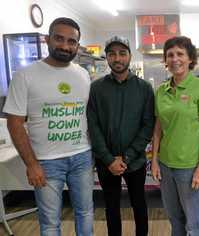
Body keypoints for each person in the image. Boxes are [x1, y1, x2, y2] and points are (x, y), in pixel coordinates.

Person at [3, 17, 94, 236]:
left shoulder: (83, 75)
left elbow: (86, 115)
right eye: (59, 39)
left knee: (86, 213)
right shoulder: (25, 75)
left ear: (78, 45)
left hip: (82, 156)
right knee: (50, 222)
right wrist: (32, 164)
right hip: (45, 161)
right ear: (47, 39)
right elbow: (14, 122)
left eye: (71, 41)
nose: (65, 45)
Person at [87, 36, 154, 236]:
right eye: (112, 54)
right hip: (106, 162)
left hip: (134, 161)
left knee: (139, 204)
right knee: (111, 207)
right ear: (106, 58)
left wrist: (127, 157)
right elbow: (93, 125)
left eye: (122, 53)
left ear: (130, 56)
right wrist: (108, 159)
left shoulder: (144, 88)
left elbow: (148, 125)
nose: (117, 58)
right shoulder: (96, 88)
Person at [151, 36, 199, 236]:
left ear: (190, 59)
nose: (174, 59)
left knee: (195, 225)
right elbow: (158, 129)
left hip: (190, 168)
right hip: (166, 166)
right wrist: (154, 161)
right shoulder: (161, 91)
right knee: (175, 221)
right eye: (170, 55)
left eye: (180, 54)